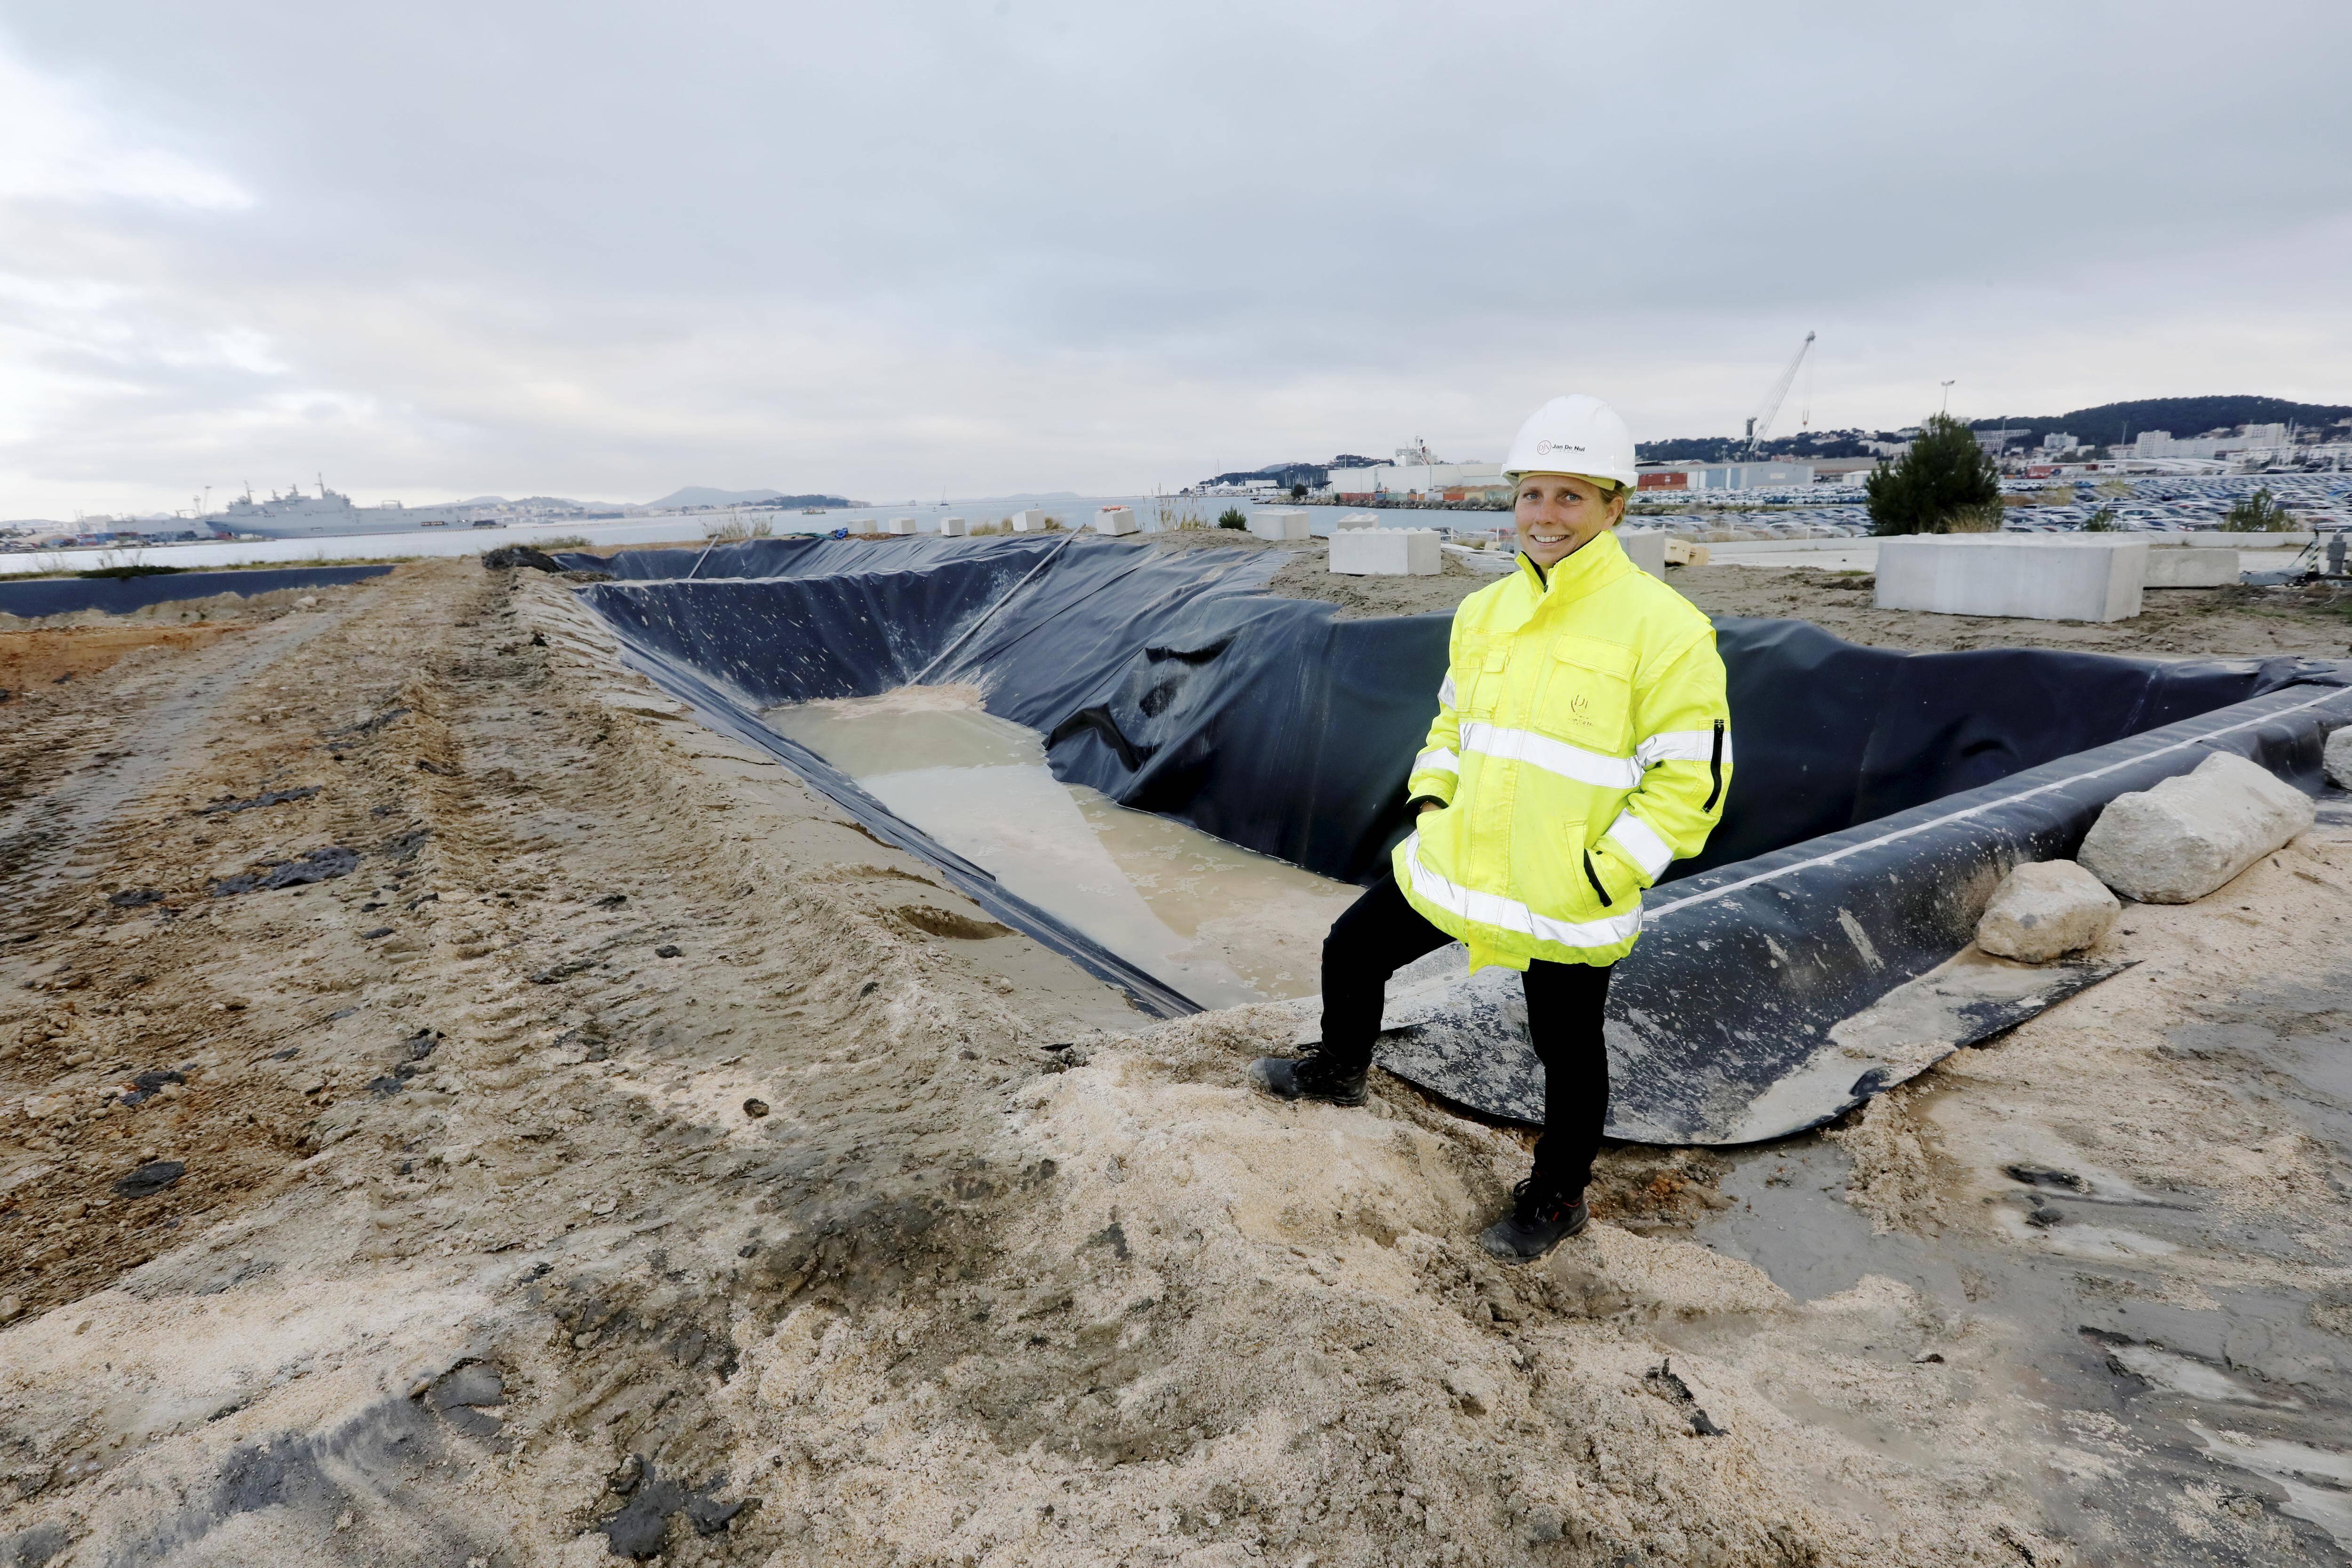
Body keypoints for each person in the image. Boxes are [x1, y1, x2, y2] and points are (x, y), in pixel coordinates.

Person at [1248, 394, 1732, 1263]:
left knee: (1566, 1048)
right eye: (1531, 494)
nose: (1546, 515)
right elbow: (1450, 724)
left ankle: (1557, 1198)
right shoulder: (1484, 611)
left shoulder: (1666, 629)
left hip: (1566, 884)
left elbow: (1692, 780)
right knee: (1352, 949)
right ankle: (1338, 1071)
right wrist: (1433, 803)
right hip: (1463, 855)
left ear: (1616, 506)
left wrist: (1608, 871)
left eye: (1571, 496)